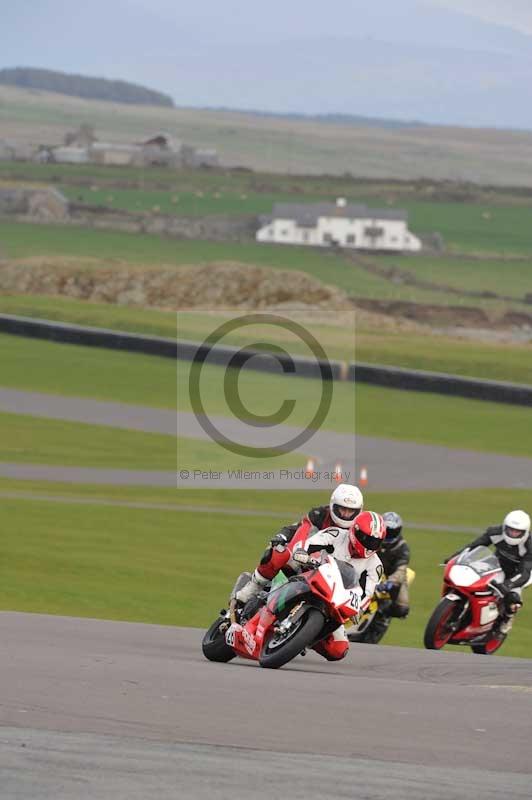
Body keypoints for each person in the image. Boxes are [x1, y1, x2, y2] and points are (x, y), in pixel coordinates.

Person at [236, 484, 364, 604]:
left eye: (351, 511)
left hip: (334, 573)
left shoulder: (360, 528)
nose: (345, 514)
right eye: (342, 509)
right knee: (279, 552)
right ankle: (254, 586)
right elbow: (300, 530)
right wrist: (288, 542)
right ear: (333, 506)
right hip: (305, 559)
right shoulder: (319, 515)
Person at [445, 509, 532, 636]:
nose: (513, 534)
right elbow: (473, 546)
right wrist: (455, 557)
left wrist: (508, 585)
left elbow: (524, 572)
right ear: (504, 527)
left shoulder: (529, 546)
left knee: (513, 599)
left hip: (518, 572)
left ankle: (507, 618)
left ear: (525, 532)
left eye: (517, 532)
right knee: (474, 579)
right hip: (497, 563)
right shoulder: (494, 532)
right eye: (510, 530)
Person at [356, 511, 411, 644]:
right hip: (369, 568)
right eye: (387, 531)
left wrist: (391, 582)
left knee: (402, 607)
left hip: (392, 575)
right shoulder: (374, 538)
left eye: (393, 532)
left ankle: (383, 616)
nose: (389, 534)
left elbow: (401, 569)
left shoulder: (402, 547)